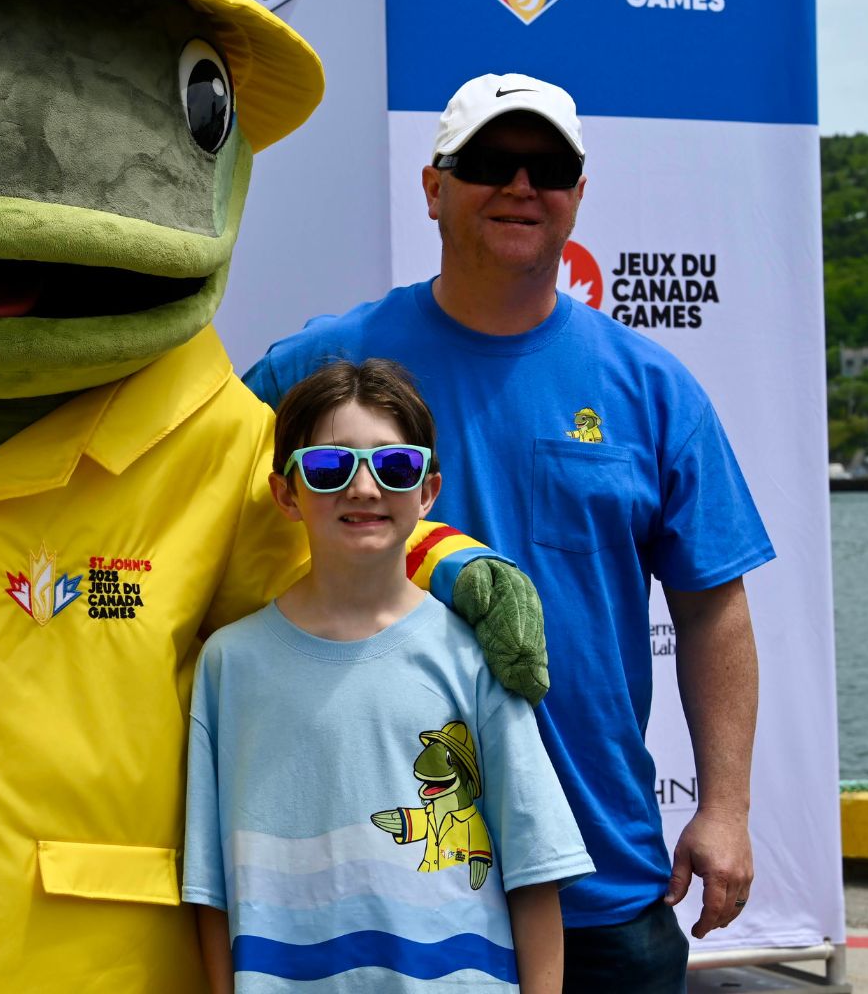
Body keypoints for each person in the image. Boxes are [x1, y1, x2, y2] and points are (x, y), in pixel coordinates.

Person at [243, 73, 773, 991]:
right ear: (434, 188)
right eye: (489, 163)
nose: (521, 187)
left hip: (598, 876)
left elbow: (713, 610)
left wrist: (725, 806)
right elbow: (192, 513)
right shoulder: (321, 368)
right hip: (387, 877)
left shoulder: (651, 387)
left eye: (548, 167)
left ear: (578, 193)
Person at [183, 358, 590, 993]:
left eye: (393, 466)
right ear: (285, 492)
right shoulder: (230, 664)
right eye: (328, 466)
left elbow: (536, 870)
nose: (364, 489)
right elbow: (210, 893)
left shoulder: (474, 656)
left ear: (427, 491)